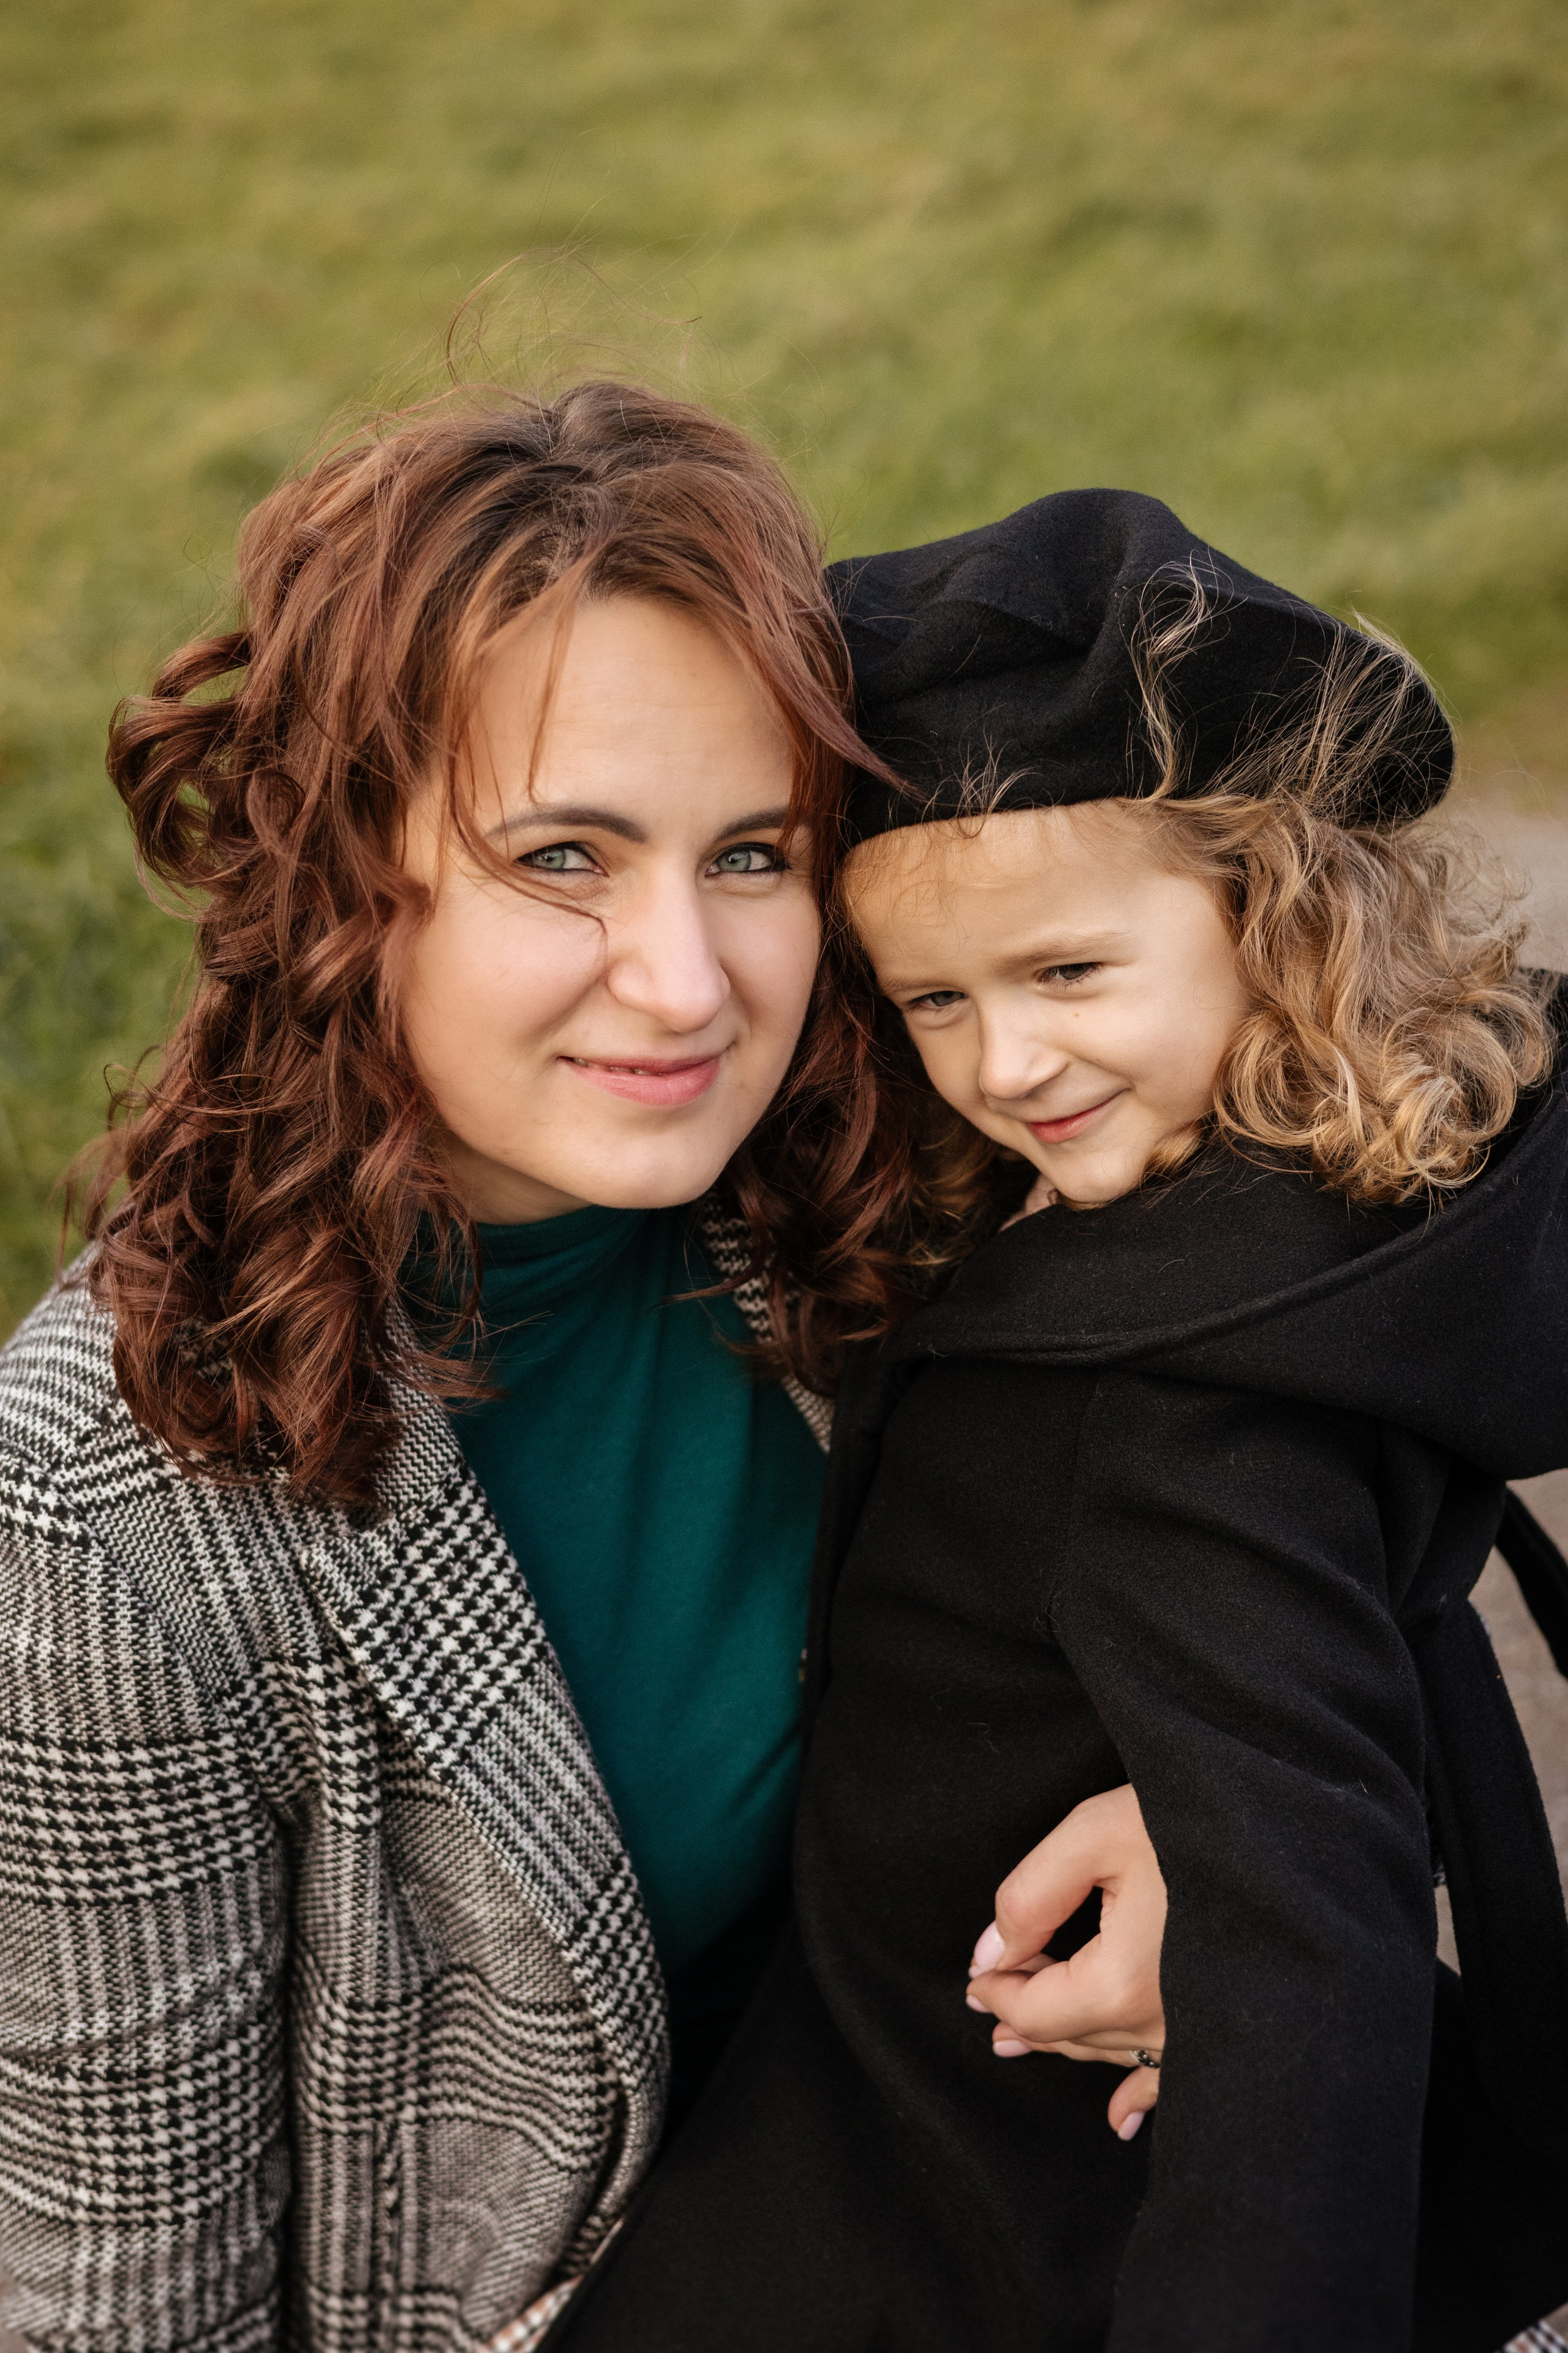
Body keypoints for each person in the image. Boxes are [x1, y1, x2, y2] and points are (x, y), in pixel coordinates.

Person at [0, 389, 1172, 2353]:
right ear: (348, 876)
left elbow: (1384, 1246)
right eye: (564, 855)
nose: (689, 980)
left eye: (750, 855)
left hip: (1034, 2214)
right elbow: (124, 2292)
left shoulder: (920, 1137)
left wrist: (1202, 1795)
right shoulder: (109, 1500)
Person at [547, 493, 1568, 2353]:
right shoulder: (1300, 1211)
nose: (1004, 1064)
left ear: (1273, 910)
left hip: (993, 2180)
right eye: (934, 999)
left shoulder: (1177, 1408)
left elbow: (1303, 1944)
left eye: (1068, 975)